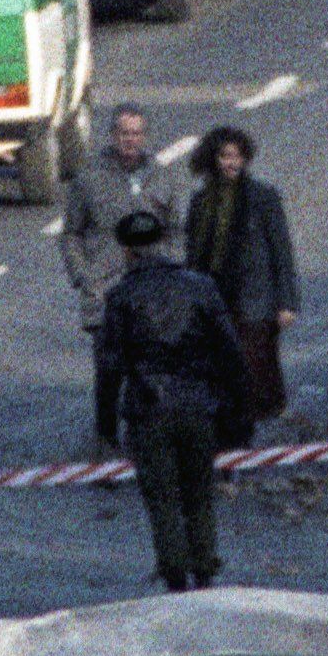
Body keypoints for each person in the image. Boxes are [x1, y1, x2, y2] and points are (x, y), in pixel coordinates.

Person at [88, 207, 252, 589]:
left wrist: (106, 427)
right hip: (198, 403)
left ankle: (174, 571)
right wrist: (238, 412)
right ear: (163, 243)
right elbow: (230, 351)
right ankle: (205, 567)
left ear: (126, 251)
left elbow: (109, 366)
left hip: (148, 408)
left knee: (161, 497)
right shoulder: (200, 287)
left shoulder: (121, 297)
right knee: (199, 490)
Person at [181, 122, 299, 418]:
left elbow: (281, 250)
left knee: (258, 359)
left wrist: (287, 301)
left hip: (255, 296)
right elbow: (194, 252)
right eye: (224, 156)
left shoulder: (262, 197)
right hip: (216, 294)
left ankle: (267, 416)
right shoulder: (201, 201)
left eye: (236, 156)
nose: (230, 163)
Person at [55, 101, 178, 317]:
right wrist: (83, 276)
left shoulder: (161, 176)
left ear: (144, 137)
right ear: (113, 135)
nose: (130, 139)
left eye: (136, 133)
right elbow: (71, 234)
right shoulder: (89, 177)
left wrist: (173, 270)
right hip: (104, 291)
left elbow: (176, 229)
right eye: (124, 133)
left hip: (151, 288)